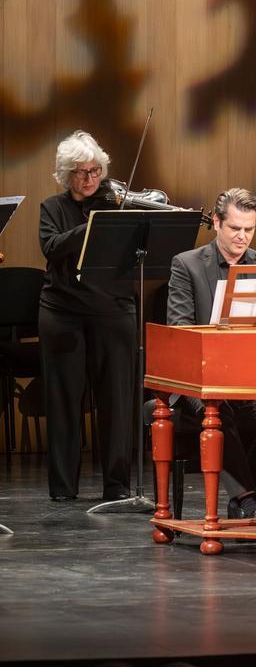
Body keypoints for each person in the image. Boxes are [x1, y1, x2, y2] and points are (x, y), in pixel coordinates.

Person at [166, 189, 256, 519]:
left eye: (249, 230)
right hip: (200, 379)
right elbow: (180, 330)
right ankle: (249, 499)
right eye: (235, 228)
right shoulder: (187, 264)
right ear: (216, 222)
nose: (243, 237)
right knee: (217, 409)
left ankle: (243, 495)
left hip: (250, 378)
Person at [38, 131, 135, 502]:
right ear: (66, 174)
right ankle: (63, 489)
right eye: (81, 172)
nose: (91, 178)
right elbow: (51, 247)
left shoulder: (119, 204)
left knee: (115, 401)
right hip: (63, 314)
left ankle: (117, 486)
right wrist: (91, 226)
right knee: (64, 403)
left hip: (113, 310)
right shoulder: (52, 208)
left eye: (96, 170)